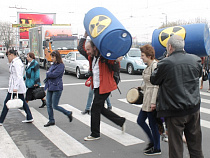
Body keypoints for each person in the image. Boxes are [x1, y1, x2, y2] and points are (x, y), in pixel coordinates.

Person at [150, 35, 204, 158]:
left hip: (174, 110)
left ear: (170, 47)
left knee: (176, 148)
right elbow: (199, 75)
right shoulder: (195, 60)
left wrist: (165, 58)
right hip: (193, 108)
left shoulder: (166, 63)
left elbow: (154, 79)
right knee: (195, 145)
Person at [78, 32, 126, 141]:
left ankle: (95, 134)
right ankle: (120, 121)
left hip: (106, 86)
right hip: (97, 86)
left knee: (95, 108)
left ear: (95, 48)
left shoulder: (105, 56)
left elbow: (115, 66)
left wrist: (116, 61)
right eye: (87, 50)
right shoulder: (91, 57)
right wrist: (84, 35)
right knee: (99, 108)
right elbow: (81, 49)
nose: (88, 52)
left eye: (89, 49)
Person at [136, 44, 161, 156]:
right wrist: (140, 88)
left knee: (152, 124)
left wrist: (153, 102)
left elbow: (156, 85)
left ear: (149, 55)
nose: (141, 57)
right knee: (141, 120)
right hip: (147, 97)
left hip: (152, 99)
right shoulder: (148, 66)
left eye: (143, 55)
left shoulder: (155, 66)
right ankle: (152, 142)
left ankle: (156, 147)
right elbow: (148, 83)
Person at [0, 50, 33, 126]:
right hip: (14, 87)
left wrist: (15, 87)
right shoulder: (14, 62)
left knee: (6, 103)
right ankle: (29, 117)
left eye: (8, 55)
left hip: (15, 87)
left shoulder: (17, 63)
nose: (7, 57)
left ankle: (1, 120)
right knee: (23, 102)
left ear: (12, 55)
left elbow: (19, 76)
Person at [44, 50, 73, 127]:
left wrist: (48, 73)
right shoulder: (53, 65)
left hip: (57, 87)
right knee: (48, 104)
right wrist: (49, 73)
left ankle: (68, 113)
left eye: (53, 57)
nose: (52, 58)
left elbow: (53, 75)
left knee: (55, 105)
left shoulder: (61, 66)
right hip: (50, 86)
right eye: (51, 56)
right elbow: (50, 74)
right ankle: (51, 120)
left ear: (57, 57)